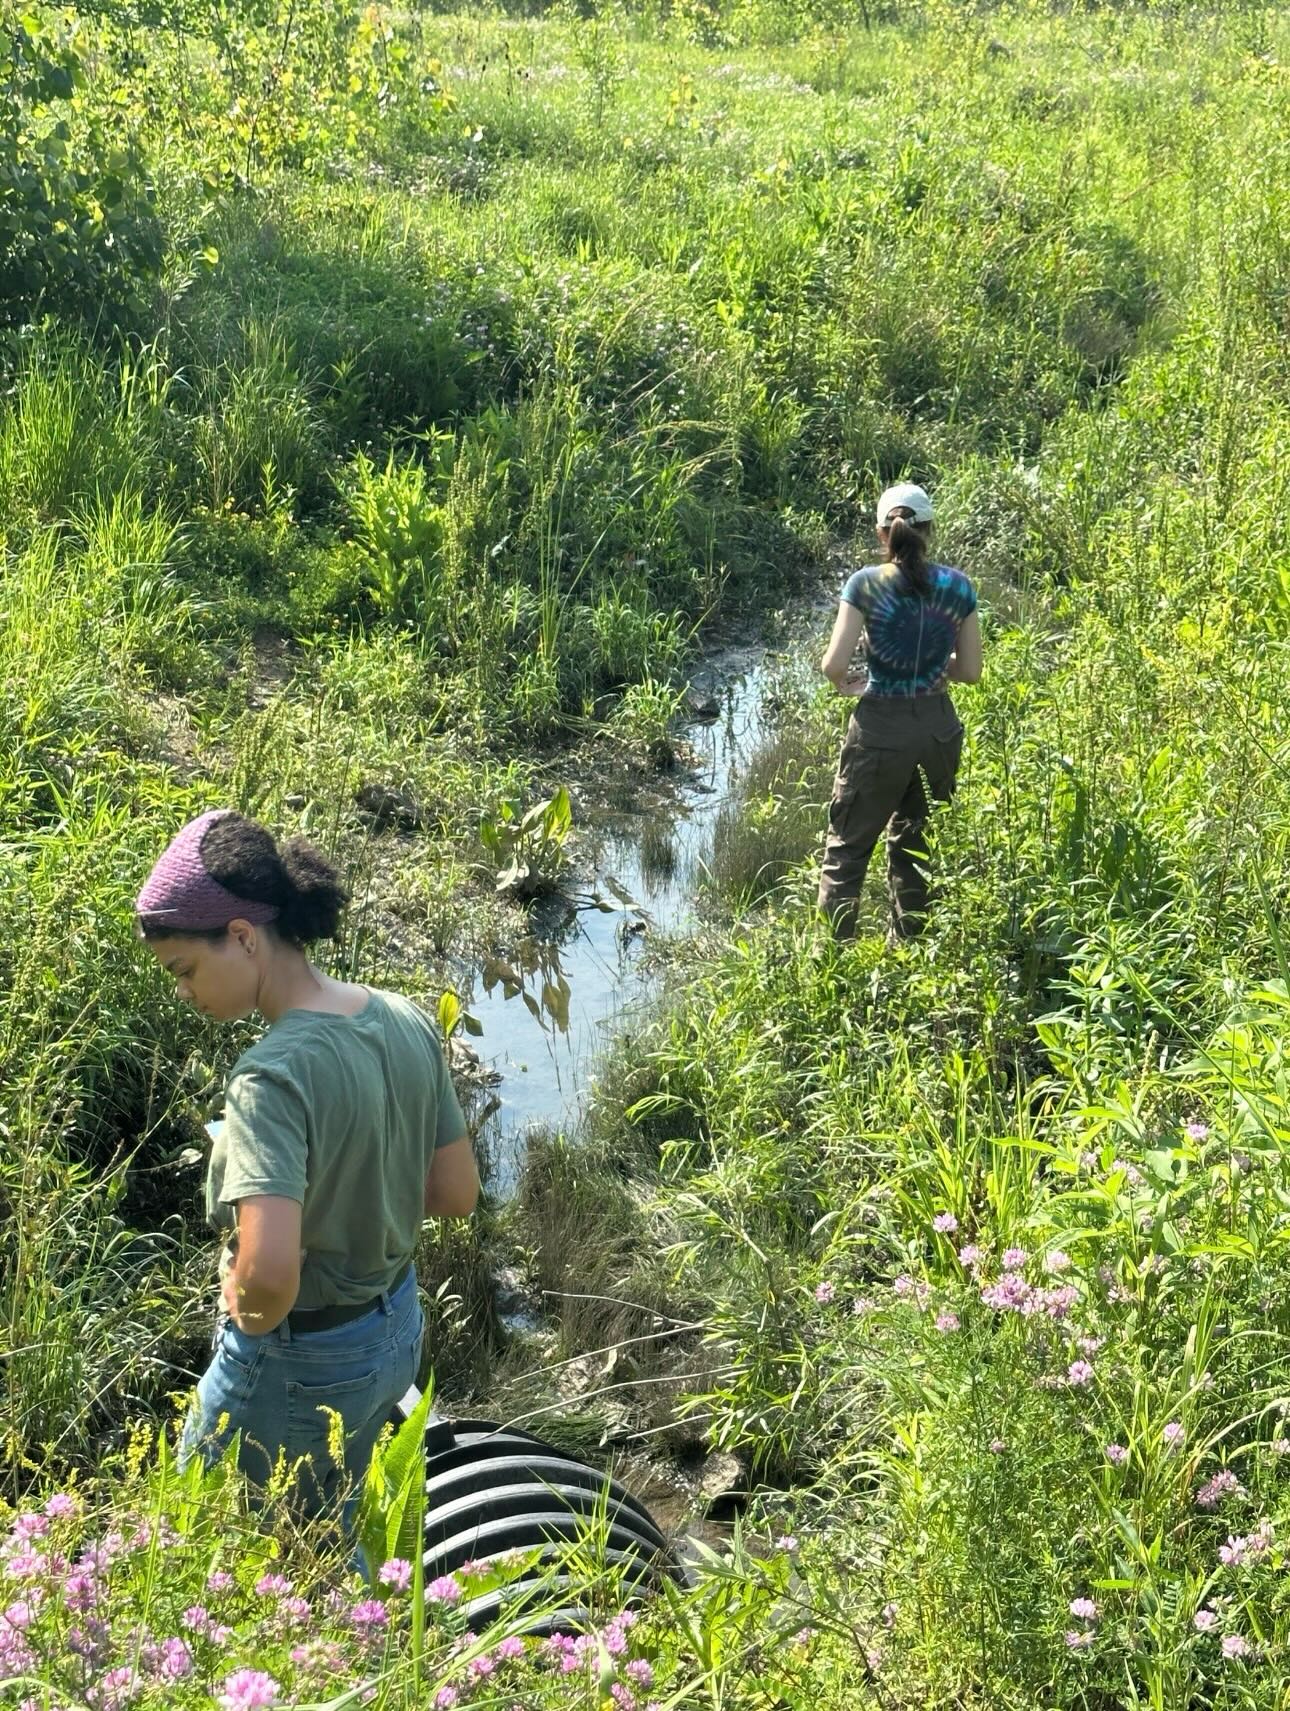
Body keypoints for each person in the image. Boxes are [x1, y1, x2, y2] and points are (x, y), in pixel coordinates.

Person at [136, 808, 480, 1516]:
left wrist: (240, 1298)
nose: (182, 991)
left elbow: (269, 1278)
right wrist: (354, 1193)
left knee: (197, 1535)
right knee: (330, 1531)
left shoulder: (269, 1078)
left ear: (242, 936)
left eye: (185, 969)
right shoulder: (404, 1017)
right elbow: (456, 1192)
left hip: (300, 1359)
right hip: (392, 1330)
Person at [816, 482, 982, 941]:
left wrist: (844, 681)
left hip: (879, 730)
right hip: (937, 730)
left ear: (881, 533)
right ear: (929, 529)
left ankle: (833, 959)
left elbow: (833, 663)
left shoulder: (866, 584)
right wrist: (934, 664)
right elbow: (970, 672)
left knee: (848, 850)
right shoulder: (959, 587)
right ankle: (910, 950)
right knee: (917, 845)